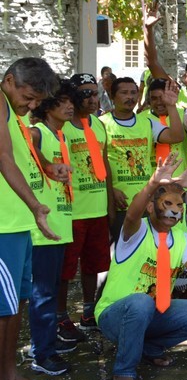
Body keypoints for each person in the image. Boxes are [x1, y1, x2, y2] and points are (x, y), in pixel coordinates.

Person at [95, 155, 187, 380]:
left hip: (152, 313)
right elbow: (131, 214)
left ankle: (149, 345)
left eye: (178, 206)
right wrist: (152, 183)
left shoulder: (182, 238)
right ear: (151, 207)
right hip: (114, 315)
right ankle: (124, 369)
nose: (173, 211)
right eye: (167, 204)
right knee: (141, 301)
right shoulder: (137, 229)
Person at [0, 58, 64, 380]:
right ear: (9, 80)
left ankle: (10, 377)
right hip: (4, 223)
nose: (32, 105)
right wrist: (36, 205)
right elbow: (4, 157)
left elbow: (22, 153)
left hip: (16, 224)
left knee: (15, 306)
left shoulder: (15, 112)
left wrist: (46, 166)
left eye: (36, 100)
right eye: (28, 97)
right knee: (3, 310)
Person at [58, 73, 114, 342]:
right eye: (86, 94)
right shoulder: (61, 126)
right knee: (66, 269)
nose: (93, 99)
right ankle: (60, 316)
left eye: (95, 93)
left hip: (98, 209)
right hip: (72, 211)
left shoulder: (99, 124)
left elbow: (104, 165)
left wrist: (109, 204)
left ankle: (89, 311)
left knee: (94, 265)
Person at [28, 81, 76, 376]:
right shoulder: (37, 133)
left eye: (71, 101)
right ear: (47, 106)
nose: (70, 106)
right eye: (62, 102)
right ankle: (41, 353)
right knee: (42, 292)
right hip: (42, 228)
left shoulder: (60, 136)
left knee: (52, 286)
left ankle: (47, 341)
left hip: (60, 223)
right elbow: (29, 152)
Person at [100, 77, 184, 242]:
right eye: (124, 93)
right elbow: (97, 163)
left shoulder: (147, 123)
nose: (130, 97)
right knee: (122, 250)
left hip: (147, 200)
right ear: (112, 96)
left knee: (148, 250)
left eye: (134, 93)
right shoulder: (101, 124)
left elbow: (176, 136)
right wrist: (110, 190)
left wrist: (172, 106)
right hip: (120, 202)